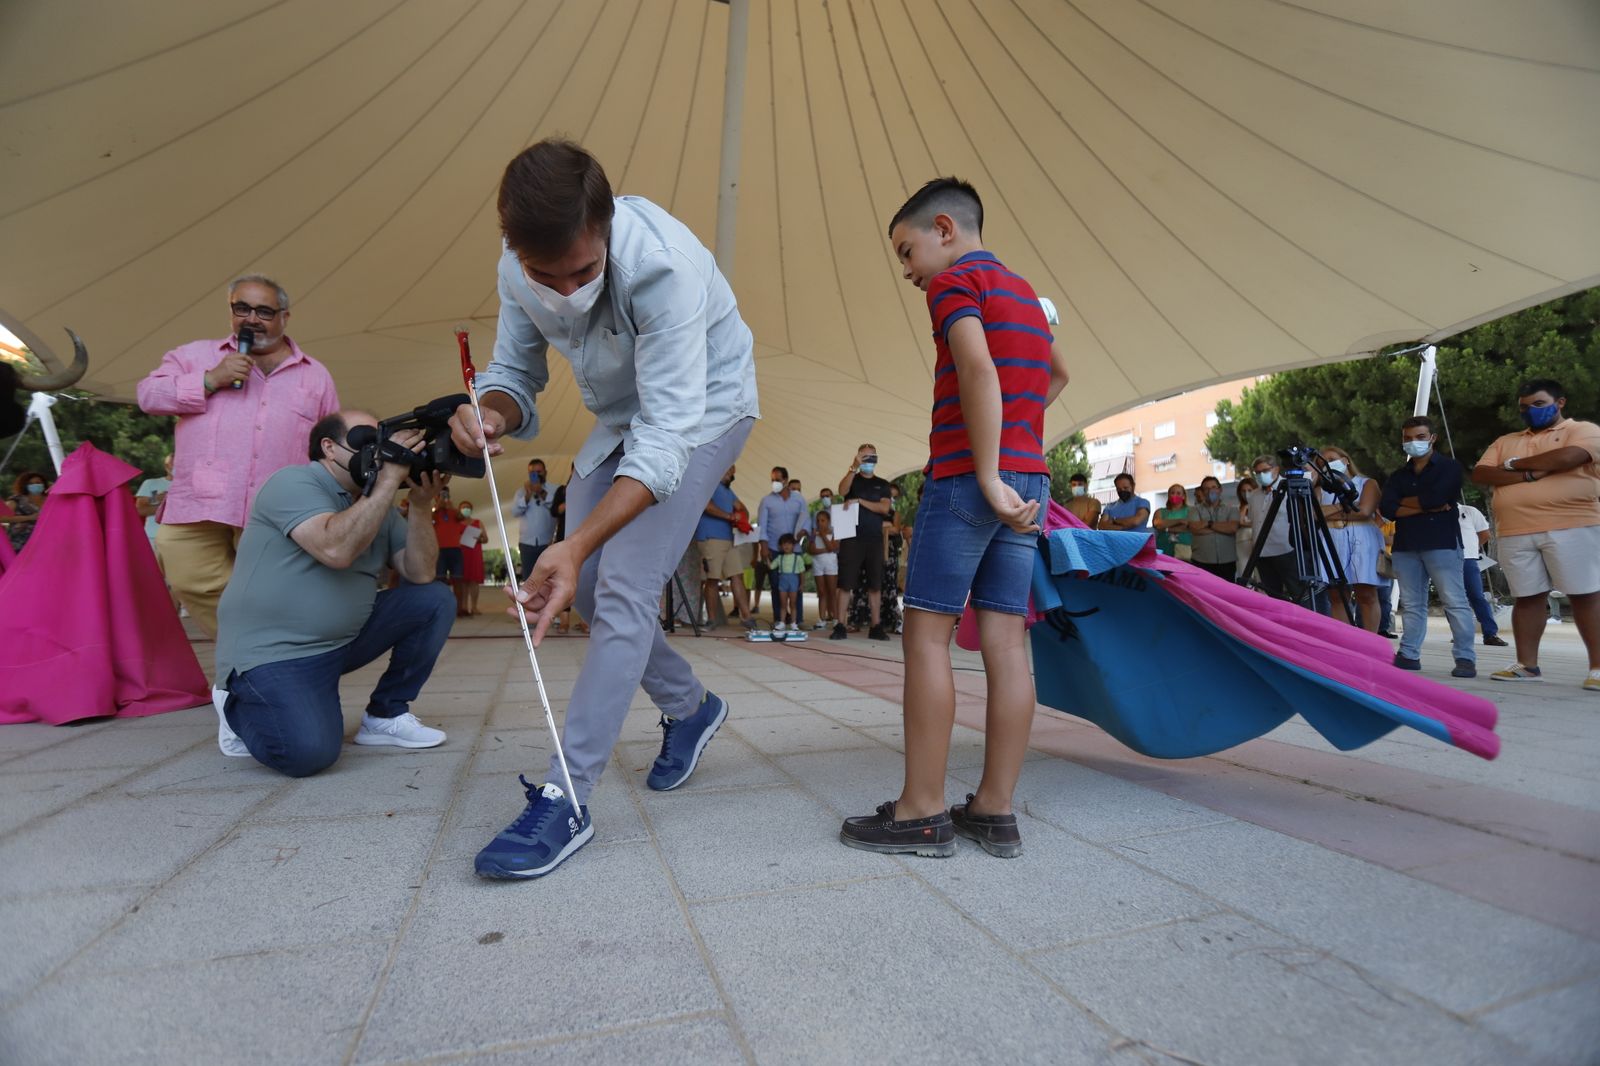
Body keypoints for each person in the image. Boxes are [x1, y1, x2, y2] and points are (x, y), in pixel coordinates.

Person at [448, 139, 759, 879]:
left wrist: (578, 539)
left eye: (583, 272)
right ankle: (691, 706)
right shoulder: (513, 268)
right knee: (582, 584)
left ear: (608, 224)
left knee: (619, 583)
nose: (564, 290)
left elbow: (664, 444)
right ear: (513, 247)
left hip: (704, 410)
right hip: (622, 415)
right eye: (542, 274)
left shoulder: (665, 269)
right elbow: (513, 375)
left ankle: (567, 795)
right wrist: (487, 413)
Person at [841, 176, 1067, 859]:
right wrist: (1019, 455)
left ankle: (921, 811)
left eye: (907, 251)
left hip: (972, 477)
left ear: (944, 229)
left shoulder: (954, 283)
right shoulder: (1025, 291)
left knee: (927, 638)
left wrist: (989, 472)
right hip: (1028, 480)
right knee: (1005, 644)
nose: (909, 271)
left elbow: (976, 369)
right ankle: (994, 811)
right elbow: (1055, 374)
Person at [214, 412, 452, 775]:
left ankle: (385, 715)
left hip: (340, 643)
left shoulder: (375, 506)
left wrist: (421, 507)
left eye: (382, 440)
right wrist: (389, 477)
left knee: (434, 599)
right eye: (367, 441)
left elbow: (420, 573)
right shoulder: (291, 482)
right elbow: (335, 549)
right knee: (308, 754)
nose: (379, 451)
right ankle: (237, 706)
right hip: (273, 655)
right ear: (328, 447)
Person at [136, 275, 339, 639]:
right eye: (242, 308)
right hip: (202, 499)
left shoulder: (316, 375)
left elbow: (329, 444)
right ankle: (255, 648)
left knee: (271, 591)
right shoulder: (194, 356)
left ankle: (255, 662)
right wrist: (209, 380)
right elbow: (149, 395)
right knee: (187, 574)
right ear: (231, 310)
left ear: (284, 316)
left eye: (264, 311)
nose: (252, 319)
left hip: (277, 504)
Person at [1471, 379, 1600, 690]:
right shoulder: (1505, 439)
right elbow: (1481, 474)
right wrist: (1530, 473)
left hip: (1573, 524)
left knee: (1585, 595)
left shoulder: (1582, 431)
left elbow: (1568, 458)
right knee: (1527, 598)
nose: (1531, 411)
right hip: (1516, 530)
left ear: (1560, 402)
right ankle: (1527, 665)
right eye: (1525, 407)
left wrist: (1512, 466)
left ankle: (1598, 668)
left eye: (1539, 404)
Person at [1378, 417, 1475, 678]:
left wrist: (1406, 506)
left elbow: (1438, 498)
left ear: (1432, 438)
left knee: (1454, 601)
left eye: (1420, 436)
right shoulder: (1399, 475)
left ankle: (1465, 657)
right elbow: (1387, 507)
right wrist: (1426, 505)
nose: (1413, 442)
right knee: (1411, 603)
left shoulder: (1450, 468)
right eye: (1408, 437)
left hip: (1441, 542)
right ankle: (1409, 654)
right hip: (1406, 545)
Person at [1318, 446, 1385, 632]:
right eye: (1321, 463)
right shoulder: (1319, 489)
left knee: (1366, 594)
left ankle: (1371, 640)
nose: (1327, 465)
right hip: (1331, 540)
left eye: (1331, 459)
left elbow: (1364, 511)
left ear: (1345, 460)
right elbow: (1315, 514)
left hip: (1362, 540)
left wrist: (1330, 512)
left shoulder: (1367, 483)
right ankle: (1345, 642)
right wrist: (1348, 504)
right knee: (1337, 595)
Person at [831, 443, 893, 640]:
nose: (868, 460)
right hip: (851, 538)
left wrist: (860, 502)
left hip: (874, 538)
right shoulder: (853, 480)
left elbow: (884, 509)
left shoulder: (883, 484)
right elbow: (842, 490)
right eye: (864, 457)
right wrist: (853, 467)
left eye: (871, 457)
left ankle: (876, 625)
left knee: (875, 584)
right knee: (845, 582)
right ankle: (840, 624)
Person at [696, 464, 755, 629]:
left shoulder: (728, 491)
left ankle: (747, 617)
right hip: (710, 537)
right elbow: (707, 506)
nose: (731, 474)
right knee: (712, 578)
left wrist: (741, 515)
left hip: (728, 539)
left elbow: (743, 509)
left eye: (733, 472)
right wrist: (729, 516)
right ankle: (712, 620)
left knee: (737, 575)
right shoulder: (709, 485)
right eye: (729, 470)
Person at [1240, 456, 1306, 604]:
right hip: (1262, 554)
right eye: (1257, 472)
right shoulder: (1254, 496)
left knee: (1299, 595)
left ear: (1276, 469)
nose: (1261, 475)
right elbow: (1255, 522)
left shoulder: (1291, 489)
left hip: (1287, 550)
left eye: (1265, 470)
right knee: (1274, 598)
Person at [758, 466, 809, 627]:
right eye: (772, 480)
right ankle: (779, 619)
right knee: (776, 586)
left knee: (796, 586)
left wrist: (803, 532)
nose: (775, 483)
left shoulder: (799, 499)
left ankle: (797, 620)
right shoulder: (766, 501)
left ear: (786, 480)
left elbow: (806, 520)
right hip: (774, 548)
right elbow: (762, 526)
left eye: (778, 480)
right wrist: (763, 546)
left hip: (795, 550)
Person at [1456, 501, 1508, 647]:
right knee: (1453, 598)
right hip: (1445, 560)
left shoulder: (1469, 511)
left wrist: (1472, 548)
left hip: (1468, 558)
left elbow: (1485, 534)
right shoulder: (1433, 510)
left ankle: (1490, 633)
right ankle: (1460, 633)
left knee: (1477, 596)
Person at [512, 458, 557, 583]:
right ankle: (528, 602)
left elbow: (556, 508)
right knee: (529, 579)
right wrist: (527, 495)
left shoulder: (555, 489)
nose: (536, 475)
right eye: (532, 472)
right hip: (527, 543)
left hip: (548, 542)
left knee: (549, 579)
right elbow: (515, 512)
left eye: (539, 471)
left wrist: (540, 491)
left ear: (545, 472)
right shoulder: (521, 492)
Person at [1187, 475, 1239, 580]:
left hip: (1227, 561)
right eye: (1206, 488)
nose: (1211, 491)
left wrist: (1208, 524)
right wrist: (1222, 527)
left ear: (1220, 489)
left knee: (1226, 593)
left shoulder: (1232, 509)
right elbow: (1195, 528)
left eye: (1214, 487)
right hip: (1201, 560)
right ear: (1202, 491)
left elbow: (1232, 528)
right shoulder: (1194, 510)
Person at [432, 486, 467, 612]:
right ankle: (441, 608)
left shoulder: (453, 511)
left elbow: (462, 517)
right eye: (440, 494)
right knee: (440, 580)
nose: (443, 497)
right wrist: (438, 507)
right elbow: (428, 520)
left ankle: (460, 608)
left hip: (455, 549)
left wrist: (450, 507)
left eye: (445, 494)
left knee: (458, 579)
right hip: (439, 550)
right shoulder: (434, 512)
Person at [134, 453, 174, 555]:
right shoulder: (152, 483)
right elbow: (140, 509)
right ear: (166, 466)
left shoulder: (192, 486)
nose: (174, 466)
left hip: (182, 538)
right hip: (153, 536)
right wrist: (156, 499)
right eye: (171, 463)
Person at [3, 471, 48, 553]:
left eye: (38, 482)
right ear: (24, 485)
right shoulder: (16, 500)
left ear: (43, 483)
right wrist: (29, 517)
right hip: (21, 545)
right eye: (31, 483)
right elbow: (2, 518)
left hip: (47, 543)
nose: (35, 485)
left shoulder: (51, 499)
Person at [809, 508, 840, 629]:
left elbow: (833, 547)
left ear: (828, 521)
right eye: (818, 521)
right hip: (818, 563)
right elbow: (811, 549)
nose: (820, 523)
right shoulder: (813, 534)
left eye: (822, 520)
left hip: (830, 563)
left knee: (832, 591)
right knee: (821, 592)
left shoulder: (834, 533)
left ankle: (836, 618)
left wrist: (823, 536)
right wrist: (823, 550)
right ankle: (821, 618)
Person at [456, 499, 486, 616]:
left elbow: (485, 538)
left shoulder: (478, 522)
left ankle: (474, 607)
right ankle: (463, 606)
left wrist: (478, 538)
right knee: (463, 581)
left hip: (474, 553)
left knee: (474, 581)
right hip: (461, 553)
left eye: (468, 507)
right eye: (463, 507)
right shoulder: (456, 523)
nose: (466, 509)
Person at [772, 532, 805, 631]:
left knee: (793, 604)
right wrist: (766, 559)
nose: (786, 546)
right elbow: (771, 566)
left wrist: (802, 584)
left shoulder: (798, 558)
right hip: (783, 582)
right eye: (784, 544)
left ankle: (793, 623)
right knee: (783, 604)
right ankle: (782, 622)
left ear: (793, 546)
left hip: (793, 582)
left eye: (789, 543)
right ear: (781, 546)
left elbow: (802, 572)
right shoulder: (779, 558)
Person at [1152, 483, 1193, 560]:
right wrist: (1180, 521)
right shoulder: (1160, 511)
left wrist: (1166, 528)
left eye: (1178, 493)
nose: (1175, 495)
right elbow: (1157, 524)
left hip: (1184, 551)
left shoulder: (1191, 510)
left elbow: (1189, 527)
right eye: (1172, 493)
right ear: (1168, 495)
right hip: (1163, 549)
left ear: (1183, 496)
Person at [1233, 476, 1257, 580]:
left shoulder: (1260, 507)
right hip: (1242, 544)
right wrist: (1244, 508)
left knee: (1261, 578)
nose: (1246, 493)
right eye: (1243, 491)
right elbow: (1240, 522)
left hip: (1257, 543)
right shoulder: (1237, 509)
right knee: (1245, 575)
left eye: (1249, 490)